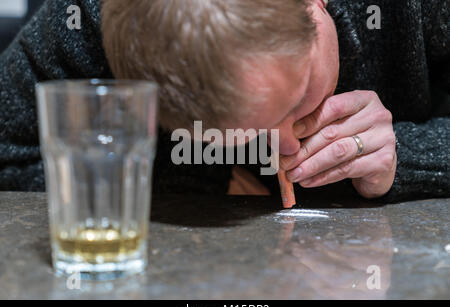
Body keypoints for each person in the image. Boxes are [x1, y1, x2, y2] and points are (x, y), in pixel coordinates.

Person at [0, 0, 448, 202]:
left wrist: (403, 157)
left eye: (297, 98)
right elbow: (8, 156)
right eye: (244, 136)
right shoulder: (83, 20)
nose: (285, 147)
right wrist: (173, 169)